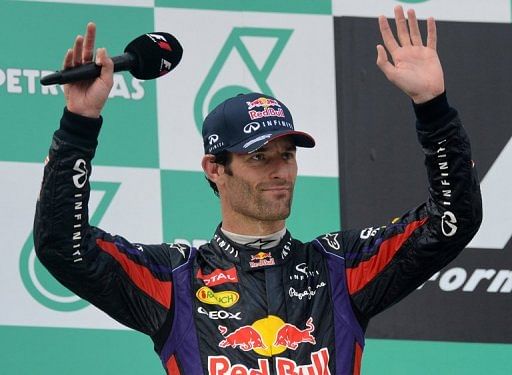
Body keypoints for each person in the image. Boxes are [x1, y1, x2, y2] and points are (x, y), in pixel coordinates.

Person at [34, 6, 482, 375]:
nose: (279, 172)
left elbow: (451, 221)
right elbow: (63, 246)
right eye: (258, 158)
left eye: (286, 155)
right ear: (214, 169)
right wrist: (79, 124)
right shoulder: (175, 279)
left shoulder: (339, 268)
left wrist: (433, 108)